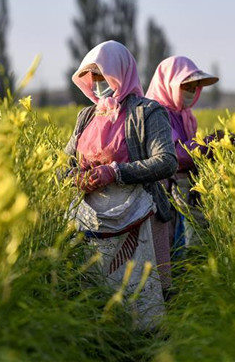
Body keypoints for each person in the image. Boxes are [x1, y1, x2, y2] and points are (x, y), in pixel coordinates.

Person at [64, 40, 178, 329]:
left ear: (121, 71)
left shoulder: (147, 111)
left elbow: (167, 161)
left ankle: (144, 344)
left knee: (140, 297)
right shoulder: (87, 116)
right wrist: (76, 177)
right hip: (91, 220)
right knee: (96, 298)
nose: (97, 82)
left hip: (139, 217)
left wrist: (116, 172)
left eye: (102, 74)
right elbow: (64, 165)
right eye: (92, 76)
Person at [145, 56, 228, 250]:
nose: (191, 93)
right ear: (169, 84)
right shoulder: (156, 112)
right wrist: (210, 143)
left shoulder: (185, 115)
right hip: (163, 189)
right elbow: (175, 153)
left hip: (183, 188)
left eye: (194, 88)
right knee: (169, 242)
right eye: (186, 87)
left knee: (184, 241)